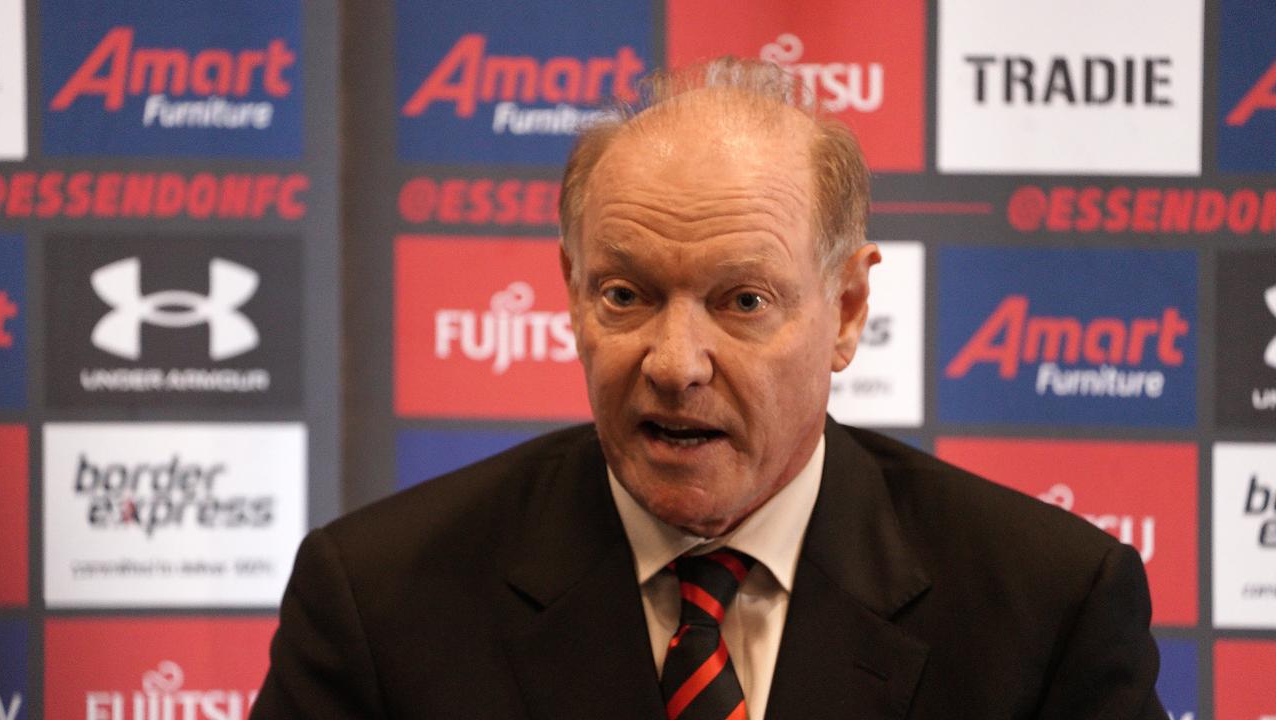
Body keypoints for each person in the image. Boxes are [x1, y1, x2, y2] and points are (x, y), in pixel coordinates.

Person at [252, 58, 1164, 719]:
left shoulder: (1047, 604)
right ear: (571, 295)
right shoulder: (379, 600)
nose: (675, 362)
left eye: (743, 301)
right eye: (625, 295)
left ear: (846, 310)